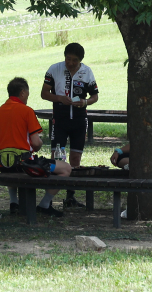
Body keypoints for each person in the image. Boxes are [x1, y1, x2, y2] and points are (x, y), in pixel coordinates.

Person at [0, 76, 71, 218]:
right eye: (27, 94)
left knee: (12, 163)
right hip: (24, 165)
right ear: (22, 93)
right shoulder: (26, 111)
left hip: (2, 164)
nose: (27, 98)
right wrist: (38, 146)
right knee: (66, 168)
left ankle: (13, 202)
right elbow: (35, 142)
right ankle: (44, 205)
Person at [40, 42, 98, 208]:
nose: (70, 63)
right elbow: (44, 93)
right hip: (60, 120)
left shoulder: (87, 72)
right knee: (55, 158)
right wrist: (59, 98)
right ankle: (48, 199)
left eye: (74, 60)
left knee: (75, 159)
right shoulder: (54, 69)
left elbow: (95, 96)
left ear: (80, 60)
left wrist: (85, 102)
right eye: (68, 59)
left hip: (79, 120)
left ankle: (70, 197)